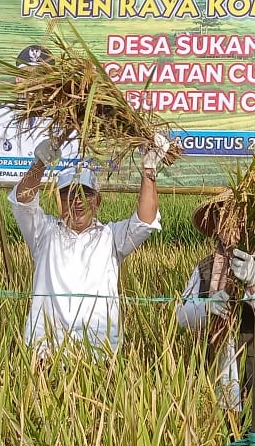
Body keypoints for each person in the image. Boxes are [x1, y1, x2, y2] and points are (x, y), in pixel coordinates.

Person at [9, 133, 172, 358]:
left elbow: (145, 220)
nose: (77, 202)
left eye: (84, 194)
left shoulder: (112, 237)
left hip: (99, 350)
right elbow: (22, 202)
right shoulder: (43, 232)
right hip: (45, 348)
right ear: (59, 200)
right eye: (69, 194)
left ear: (97, 201)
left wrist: (149, 169)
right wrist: (40, 163)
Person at [175, 203, 255, 414]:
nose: (229, 225)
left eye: (237, 218)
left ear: (253, 223)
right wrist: (206, 307)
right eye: (222, 218)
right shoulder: (206, 267)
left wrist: (253, 283)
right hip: (219, 381)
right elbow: (181, 316)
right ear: (215, 225)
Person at [0, 44, 77, 183]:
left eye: (41, 75)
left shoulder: (67, 119)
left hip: (51, 194)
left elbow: (72, 170)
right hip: (7, 193)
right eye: (26, 74)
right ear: (18, 79)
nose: (33, 81)